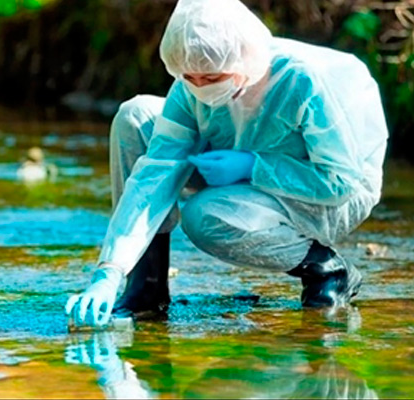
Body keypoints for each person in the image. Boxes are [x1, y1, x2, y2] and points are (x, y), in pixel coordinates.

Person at [65, 0, 388, 328]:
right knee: (135, 117)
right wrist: (109, 270)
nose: (201, 88)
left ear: (244, 62)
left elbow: (340, 181)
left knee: (203, 215)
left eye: (212, 77)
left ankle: (324, 268)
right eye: (190, 77)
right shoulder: (191, 85)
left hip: (326, 191)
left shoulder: (303, 82)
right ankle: (145, 288)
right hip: (233, 158)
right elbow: (155, 172)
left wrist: (253, 166)